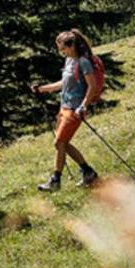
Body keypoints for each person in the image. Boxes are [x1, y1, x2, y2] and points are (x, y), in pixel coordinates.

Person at [32, 29, 101, 192]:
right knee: (63, 144)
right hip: (64, 106)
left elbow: (92, 86)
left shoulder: (83, 62)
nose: (60, 52)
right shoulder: (69, 61)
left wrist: (83, 106)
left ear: (72, 46)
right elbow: (63, 83)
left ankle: (55, 180)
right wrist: (42, 89)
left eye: (62, 48)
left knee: (59, 142)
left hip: (75, 110)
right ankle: (88, 172)